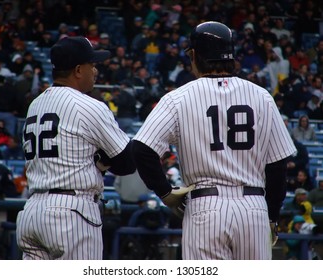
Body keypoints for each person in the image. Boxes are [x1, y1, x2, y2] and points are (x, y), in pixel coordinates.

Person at [132, 21, 296, 260]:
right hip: (254, 208)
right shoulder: (262, 96)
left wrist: (165, 192)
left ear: (196, 55)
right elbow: (278, 166)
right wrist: (271, 216)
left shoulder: (178, 98)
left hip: (206, 207)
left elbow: (141, 149)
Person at [16, 36, 136, 260]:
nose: (96, 71)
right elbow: (127, 162)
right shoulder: (89, 106)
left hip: (32, 212)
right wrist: (99, 160)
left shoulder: (36, 104)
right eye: (93, 65)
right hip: (70, 214)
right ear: (79, 70)